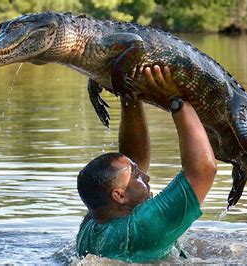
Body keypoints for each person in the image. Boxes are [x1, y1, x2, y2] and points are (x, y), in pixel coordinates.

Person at [76, 65, 217, 263]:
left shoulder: (91, 225)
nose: (146, 176)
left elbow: (130, 161)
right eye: (137, 176)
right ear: (119, 195)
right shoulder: (142, 227)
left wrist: (129, 95)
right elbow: (203, 171)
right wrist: (176, 100)